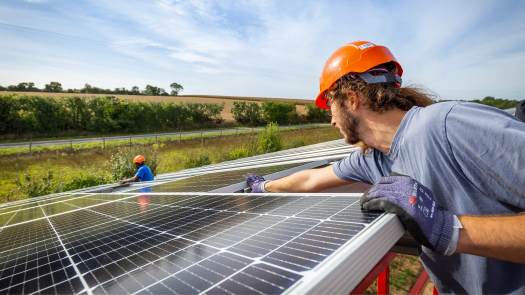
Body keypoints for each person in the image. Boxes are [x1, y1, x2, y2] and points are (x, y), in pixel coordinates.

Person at [245, 41, 525, 295]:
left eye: (331, 106)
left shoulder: (449, 125)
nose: (331, 120)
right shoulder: (372, 157)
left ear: (352, 99)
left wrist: (447, 229)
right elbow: (310, 180)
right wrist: (263, 187)